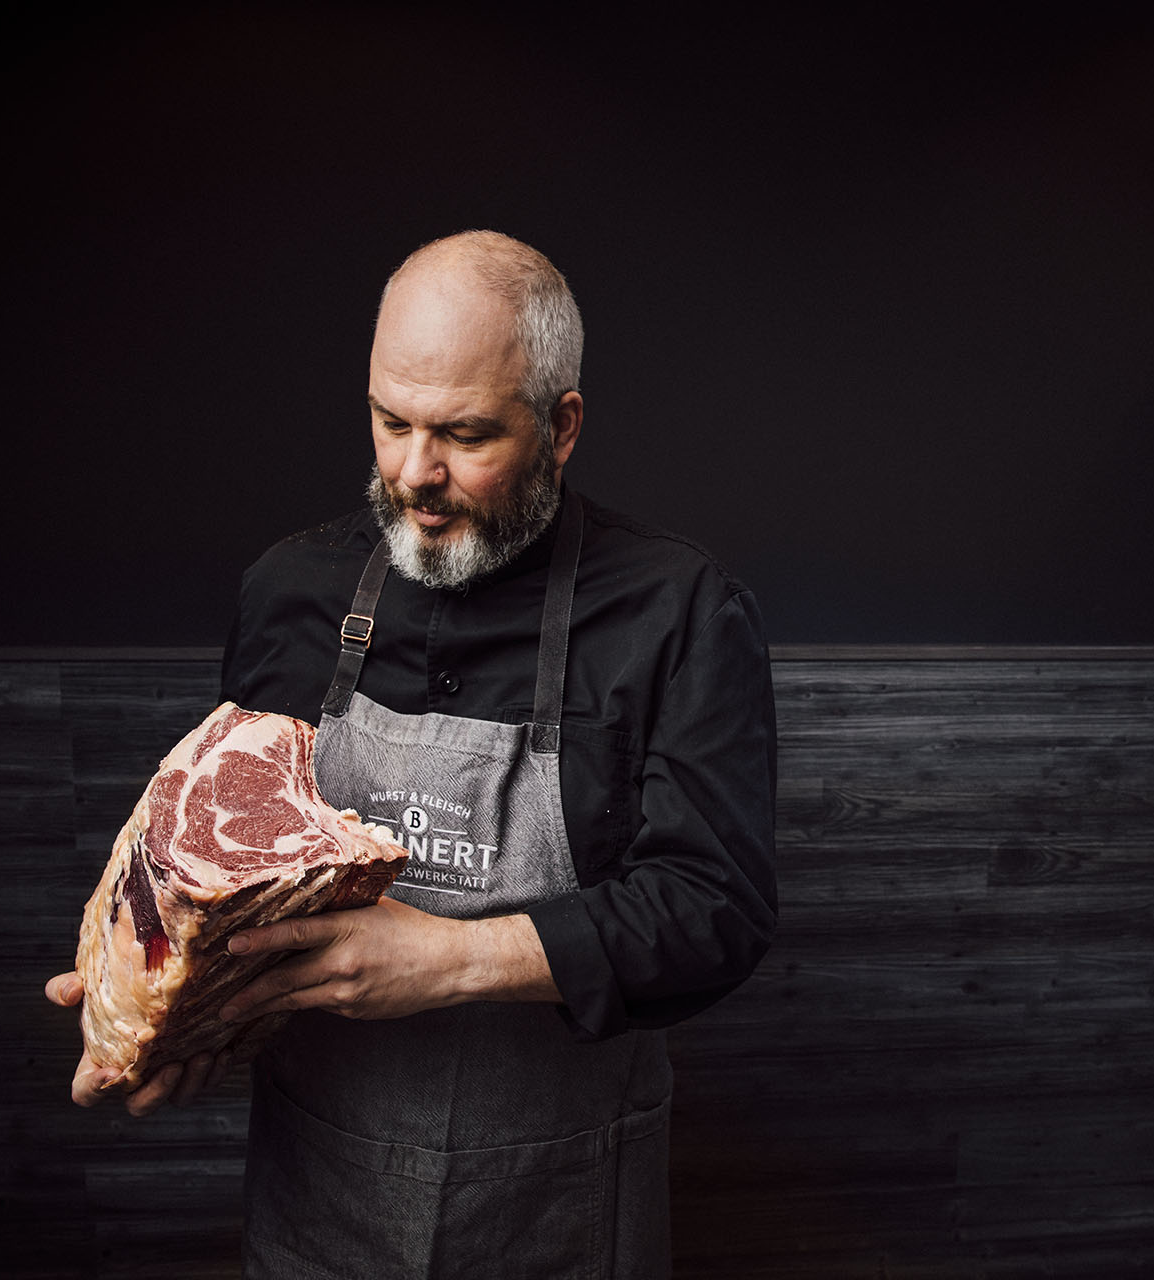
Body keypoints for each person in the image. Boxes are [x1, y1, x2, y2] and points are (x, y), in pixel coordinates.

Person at [45, 230, 778, 1277]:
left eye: (467, 434)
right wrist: (190, 1007)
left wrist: (449, 956)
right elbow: (234, 867)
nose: (415, 474)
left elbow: (716, 907)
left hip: (562, 1210)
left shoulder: (678, 608)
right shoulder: (290, 590)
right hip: (320, 1203)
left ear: (561, 425)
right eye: (393, 422)